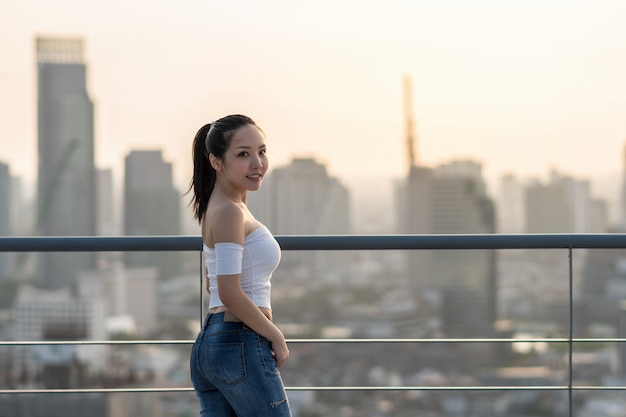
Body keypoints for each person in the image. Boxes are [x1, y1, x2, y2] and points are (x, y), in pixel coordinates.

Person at [188, 114, 292, 417]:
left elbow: (213, 283)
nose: (257, 163)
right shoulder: (231, 212)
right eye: (243, 154)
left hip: (213, 345)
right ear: (216, 161)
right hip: (239, 342)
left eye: (261, 151)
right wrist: (275, 335)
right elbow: (229, 291)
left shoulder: (216, 208)